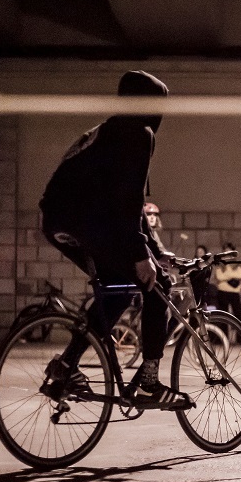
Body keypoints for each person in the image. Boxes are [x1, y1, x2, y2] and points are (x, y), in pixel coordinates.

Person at [38, 69, 190, 410]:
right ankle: (148, 384)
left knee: (119, 287)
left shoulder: (110, 130)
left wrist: (156, 250)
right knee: (158, 287)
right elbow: (129, 201)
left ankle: (66, 365)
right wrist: (141, 255)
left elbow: (128, 206)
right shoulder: (139, 133)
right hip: (85, 219)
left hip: (58, 219)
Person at [213, 241, 241, 317]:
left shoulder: (237, 264)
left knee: (238, 315)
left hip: (235, 291)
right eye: (225, 252)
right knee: (223, 315)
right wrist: (232, 275)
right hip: (223, 291)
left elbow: (240, 275)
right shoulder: (220, 264)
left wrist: (226, 275)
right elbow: (219, 276)